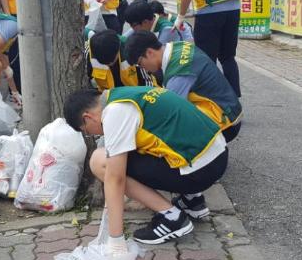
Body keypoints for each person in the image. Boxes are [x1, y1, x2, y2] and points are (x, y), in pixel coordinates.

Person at [64, 87, 228, 245]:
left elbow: (116, 178)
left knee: (99, 161)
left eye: (87, 131)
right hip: (216, 155)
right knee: (136, 149)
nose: (94, 134)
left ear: (87, 118)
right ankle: (192, 200)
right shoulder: (123, 95)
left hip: (202, 171)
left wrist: (115, 240)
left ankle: (172, 218)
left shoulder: (114, 113)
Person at [125, 30, 242, 142]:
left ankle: (211, 154)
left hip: (226, 123)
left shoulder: (179, 72)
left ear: (150, 52)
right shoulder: (178, 46)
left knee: (169, 134)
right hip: (229, 109)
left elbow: (171, 114)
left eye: (140, 63)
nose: (143, 69)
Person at [85, 29, 155, 90]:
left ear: (118, 48)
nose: (109, 65)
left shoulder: (134, 51)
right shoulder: (88, 52)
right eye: (104, 63)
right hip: (106, 96)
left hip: (134, 95)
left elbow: (148, 82)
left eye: (111, 61)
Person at [122, 0, 193, 43]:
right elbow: (123, 39)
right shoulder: (149, 19)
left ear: (145, 22)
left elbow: (156, 56)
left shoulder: (167, 29)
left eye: (133, 25)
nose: (132, 28)